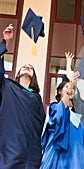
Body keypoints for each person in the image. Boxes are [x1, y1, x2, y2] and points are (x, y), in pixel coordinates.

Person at [40, 52, 84, 169]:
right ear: (59, 92)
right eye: (66, 87)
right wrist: (70, 76)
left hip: (76, 159)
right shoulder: (54, 108)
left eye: (71, 87)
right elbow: (59, 122)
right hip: (58, 158)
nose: (70, 89)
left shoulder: (78, 117)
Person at [0, 24, 46, 169]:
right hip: (9, 148)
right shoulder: (7, 86)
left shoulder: (36, 97)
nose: (28, 67)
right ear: (18, 73)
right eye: (24, 66)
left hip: (30, 152)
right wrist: (5, 42)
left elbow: (40, 123)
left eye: (31, 68)